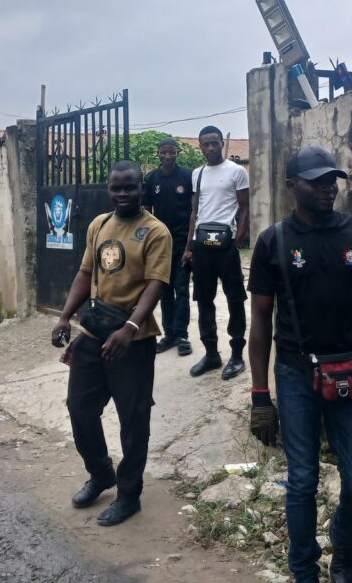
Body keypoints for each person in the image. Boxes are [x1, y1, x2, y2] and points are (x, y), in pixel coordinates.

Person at [246, 145, 352, 583]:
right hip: (296, 372)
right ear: (290, 187)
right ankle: (303, 569)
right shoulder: (273, 241)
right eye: (316, 180)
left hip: (348, 371)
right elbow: (260, 321)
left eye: (331, 179)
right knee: (302, 480)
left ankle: (342, 541)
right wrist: (260, 395)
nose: (328, 187)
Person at [51, 160, 172, 526]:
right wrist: (64, 316)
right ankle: (101, 472)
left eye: (129, 187)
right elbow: (86, 273)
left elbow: (156, 284)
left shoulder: (156, 232)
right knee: (79, 407)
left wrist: (131, 327)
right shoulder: (98, 225)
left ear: (142, 188)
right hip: (93, 332)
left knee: (133, 419)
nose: (122, 194)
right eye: (116, 188)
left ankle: (129, 494)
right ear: (109, 189)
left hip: (133, 339)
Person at [182, 125, 250, 380]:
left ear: (221, 142)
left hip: (226, 245)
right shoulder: (197, 174)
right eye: (205, 144)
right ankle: (211, 353)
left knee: (234, 300)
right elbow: (195, 212)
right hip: (202, 247)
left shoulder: (237, 171)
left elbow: (244, 209)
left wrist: (237, 241)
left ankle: (236, 355)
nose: (210, 148)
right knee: (204, 300)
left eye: (214, 143)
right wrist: (189, 247)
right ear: (200, 146)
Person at [142, 138, 194, 356]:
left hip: (182, 242)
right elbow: (146, 211)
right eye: (164, 152)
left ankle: (182, 335)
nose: (168, 156)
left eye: (172, 152)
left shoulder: (187, 176)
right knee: (164, 291)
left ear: (177, 153)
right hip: (160, 244)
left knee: (181, 290)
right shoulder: (151, 178)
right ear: (158, 154)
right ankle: (169, 334)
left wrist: (190, 246)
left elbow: (194, 210)